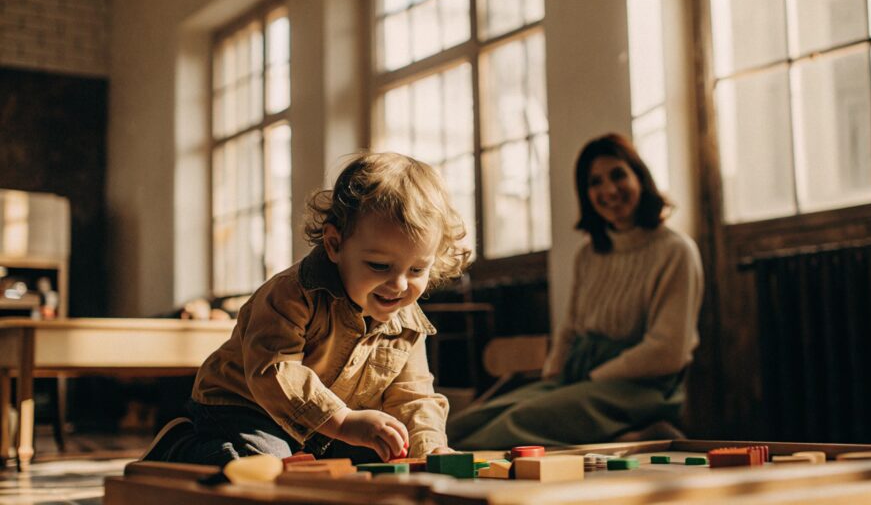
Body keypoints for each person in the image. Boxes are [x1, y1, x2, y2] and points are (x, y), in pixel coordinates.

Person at [142, 152, 471, 465]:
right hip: (244, 407)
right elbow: (274, 370)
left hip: (325, 425)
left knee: (378, 455)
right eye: (379, 265)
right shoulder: (290, 294)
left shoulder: (407, 324)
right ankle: (181, 445)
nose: (399, 284)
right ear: (334, 244)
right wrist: (341, 421)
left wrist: (430, 448)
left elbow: (413, 395)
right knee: (266, 465)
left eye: (416, 270)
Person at [447, 133, 703, 449]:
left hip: (639, 386)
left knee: (511, 428)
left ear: (640, 177)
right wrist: (554, 374)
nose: (608, 190)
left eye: (618, 175)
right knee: (466, 424)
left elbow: (668, 350)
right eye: (595, 182)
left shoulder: (676, 251)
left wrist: (594, 376)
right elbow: (570, 325)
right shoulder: (589, 254)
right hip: (576, 376)